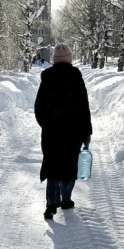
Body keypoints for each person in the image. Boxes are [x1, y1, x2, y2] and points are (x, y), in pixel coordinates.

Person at [34, 43, 93, 220]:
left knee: (52, 167)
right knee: (68, 168)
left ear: (54, 60)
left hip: (51, 132)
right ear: (69, 59)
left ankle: (51, 204)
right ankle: (66, 199)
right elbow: (84, 108)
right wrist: (86, 133)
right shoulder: (76, 78)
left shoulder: (47, 78)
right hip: (72, 133)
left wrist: (45, 123)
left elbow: (39, 106)